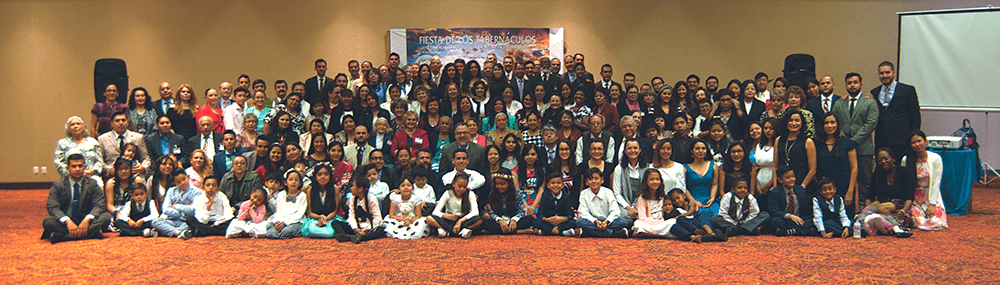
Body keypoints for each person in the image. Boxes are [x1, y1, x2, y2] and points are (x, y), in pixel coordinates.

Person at [42, 154, 113, 243]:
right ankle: (91, 234)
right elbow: (52, 206)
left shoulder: (92, 184)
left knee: (106, 217)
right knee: (48, 222)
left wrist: (87, 219)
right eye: (74, 166)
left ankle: (64, 236)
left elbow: (100, 205)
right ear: (68, 168)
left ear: (85, 167)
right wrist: (67, 221)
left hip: (86, 221)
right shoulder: (58, 185)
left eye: (80, 166)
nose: (77, 169)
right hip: (66, 222)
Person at [872, 61, 920, 160]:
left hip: (902, 140)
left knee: (901, 169)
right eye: (881, 73)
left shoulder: (907, 90)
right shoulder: (874, 92)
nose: (884, 75)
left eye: (887, 72)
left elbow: (915, 115)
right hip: (881, 139)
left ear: (894, 72)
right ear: (878, 74)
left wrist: (913, 137)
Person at [901, 130, 948, 231]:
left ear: (925, 141)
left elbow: (936, 183)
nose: (917, 144)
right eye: (914, 143)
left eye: (919, 141)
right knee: (921, 223)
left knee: (936, 222)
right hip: (915, 198)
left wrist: (932, 204)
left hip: (931, 195)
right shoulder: (906, 160)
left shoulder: (935, 158)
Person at [816, 114, 858, 214]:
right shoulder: (817, 143)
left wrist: (850, 191)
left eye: (832, 122)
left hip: (844, 185)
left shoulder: (847, 142)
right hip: (825, 188)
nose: (829, 126)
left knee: (846, 219)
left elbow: (854, 167)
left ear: (837, 125)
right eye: (826, 123)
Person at [578, 167, 629, 238]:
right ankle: (612, 234)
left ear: (602, 180)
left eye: (596, 178)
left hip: (607, 221)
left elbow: (615, 211)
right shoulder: (584, 193)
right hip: (593, 221)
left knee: (624, 222)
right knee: (579, 221)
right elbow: (583, 212)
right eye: (590, 179)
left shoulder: (608, 192)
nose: (593, 181)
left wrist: (606, 222)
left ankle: (589, 232)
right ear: (586, 182)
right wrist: (595, 221)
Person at [774, 110, 817, 193]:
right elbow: (775, 166)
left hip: (802, 185)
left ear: (802, 123)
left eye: (797, 120)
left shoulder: (808, 141)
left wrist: (802, 187)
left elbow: (812, 169)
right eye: (790, 120)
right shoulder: (778, 140)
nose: (793, 123)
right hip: (782, 186)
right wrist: (776, 187)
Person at [300, 163, 347, 239]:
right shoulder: (310, 190)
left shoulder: (335, 189)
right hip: (315, 219)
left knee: (331, 232)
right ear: (315, 177)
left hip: (330, 218)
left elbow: (334, 211)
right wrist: (320, 218)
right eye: (319, 175)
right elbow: (311, 213)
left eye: (326, 174)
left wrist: (326, 219)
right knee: (312, 231)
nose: (323, 177)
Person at [98, 110, 151, 176]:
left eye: (123, 120)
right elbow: (99, 161)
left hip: (133, 174)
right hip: (111, 176)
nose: (121, 123)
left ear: (128, 122)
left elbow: (145, 159)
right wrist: (109, 170)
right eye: (117, 121)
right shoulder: (102, 139)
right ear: (111, 123)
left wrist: (143, 167)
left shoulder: (138, 137)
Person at [152, 169, 202, 238]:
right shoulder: (171, 191)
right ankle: (179, 233)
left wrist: (176, 206)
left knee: (190, 226)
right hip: (172, 220)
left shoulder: (197, 192)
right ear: (174, 183)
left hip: (186, 221)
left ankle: (164, 232)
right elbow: (165, 209)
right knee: (155, 222)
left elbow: (193, 209)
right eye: (178, 182)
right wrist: (181, 213)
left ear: (188, 177)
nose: (182, 183)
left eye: (184, 179)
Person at [767, 166, 816, 236]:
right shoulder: (774, 192)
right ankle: (802, 230)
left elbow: (808, 206)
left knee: (813, 219)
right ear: (780, 180)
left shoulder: (800, 190)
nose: (792, 179)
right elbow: (774, 211)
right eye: (788, 178)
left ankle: (790, 231)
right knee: (775, 221)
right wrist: (789, 216)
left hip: (800, 218)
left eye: (793, 176)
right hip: (785, 219)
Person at [480, 169, 532, 235]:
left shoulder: (517, 193)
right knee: (484, 222)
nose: (499, 187)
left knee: (530, 219)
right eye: (497, 184)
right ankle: (519, 231)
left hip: (514, 220)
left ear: (509, 183)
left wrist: (514, 220)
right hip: (500, 221)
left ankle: (505, 231)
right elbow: (492, 213)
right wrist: (500, 220)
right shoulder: (492, 193)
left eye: (502, 184)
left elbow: (521, 211)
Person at [55, 116, 105, 185]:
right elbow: (58, 163)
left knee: (98, 183)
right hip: (70, 176)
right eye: (72, 124)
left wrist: (92, 171)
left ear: (83, 127)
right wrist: (73, 173)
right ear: (68, 128)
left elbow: (99, 161)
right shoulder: (63, 143)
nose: (75, 126)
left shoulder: (93, 142)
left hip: (90, 175)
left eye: (78, 124)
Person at [613, 138, 652, 224]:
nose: (632, 151)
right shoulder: (619, 169)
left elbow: (650, 190)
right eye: (629, 148)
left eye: (635, 148)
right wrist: (628, 207)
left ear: (640, 150)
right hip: (624, 205)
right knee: (627, 221)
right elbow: (617, 193)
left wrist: (637, 206)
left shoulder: (648, 168)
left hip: (643, 202)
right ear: (625, 151)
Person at [531, 172, 579, 236]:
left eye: (558, 183)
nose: (555, 185)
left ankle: (547, 231)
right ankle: (559, 232)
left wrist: (562, 219)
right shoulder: (545, 195)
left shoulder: (566, 196)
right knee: (535, 222)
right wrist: (547, 219)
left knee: (575, 222)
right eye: (553, 183)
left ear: (562, 185)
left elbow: (570, 214)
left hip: (562, 221)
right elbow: (540, 213)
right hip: (548, 221)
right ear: (548, 185)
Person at [266, 169, 308, 239]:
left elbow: (300, 214)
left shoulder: (303, 196)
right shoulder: (281, 194)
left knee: (287, 231)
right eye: (290, 179)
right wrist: (278, 222)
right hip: (281, 220)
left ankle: (281, 234)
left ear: (300, 183)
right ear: (285, 182)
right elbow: (278, 211)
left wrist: (286, 223)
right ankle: (280, 234)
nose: (293, 182)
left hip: (295, 221)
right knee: (270, 232)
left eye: (296, 180)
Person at [684, 139, 719, 215]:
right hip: (693, 201)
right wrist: (693, 202)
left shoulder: (713, 164)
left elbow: (715, 184)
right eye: (697, 148)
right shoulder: (685, 167)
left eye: (703, 148)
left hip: (710, 200)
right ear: (691, 151)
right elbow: (684, 187)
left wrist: (712, 198)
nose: (701, 151)